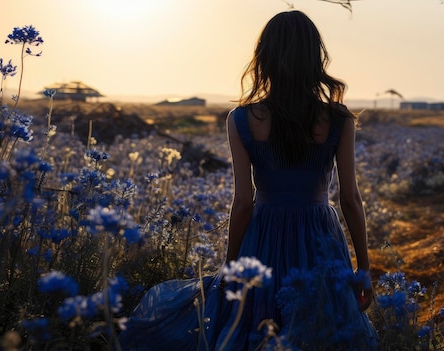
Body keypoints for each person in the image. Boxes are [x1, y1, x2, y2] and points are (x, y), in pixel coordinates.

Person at [118, 10, 378, 351]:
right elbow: (350, 200)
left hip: (263, 234)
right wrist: (364, 270)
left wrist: (230, 267)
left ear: (265, 57)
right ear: (315, 57)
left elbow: (243, 202)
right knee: (322, 330)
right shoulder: (339, 119)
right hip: (319, 236)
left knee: (255, 326)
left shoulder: (241, 118)